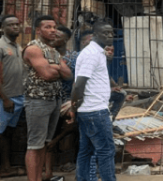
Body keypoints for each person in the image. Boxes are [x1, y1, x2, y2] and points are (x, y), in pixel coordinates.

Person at [23, 16, 72, 181]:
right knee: (34, 145)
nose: (53, 30)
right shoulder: (34, 49)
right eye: (48, 27)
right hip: (38, 100)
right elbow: (47, 74)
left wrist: (55, 67)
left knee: (44, 144)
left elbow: (68, 75)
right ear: (38, 30)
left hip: (54, 100)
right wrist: (55, 69)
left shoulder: (53, 51)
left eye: (54, 27)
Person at [69, 21, 116, 181]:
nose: (110, 36)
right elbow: (79, 84)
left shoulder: (98, 52)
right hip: (95, 111)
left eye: (111, 33)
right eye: (105, 33)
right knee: (106, 151)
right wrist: (74, 106)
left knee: (86, 151)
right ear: (95, 35)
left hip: (89, 111)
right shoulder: (91, 54)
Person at [0, 15, 24, 175]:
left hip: (18, 98)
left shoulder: (18, 46)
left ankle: (6, 167)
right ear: (2, 28)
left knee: (8, 133)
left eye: (17, 24)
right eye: (11, 24)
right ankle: (5, 168)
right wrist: (5, 98)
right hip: (5, 98)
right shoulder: (1, 46)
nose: (15, 27)